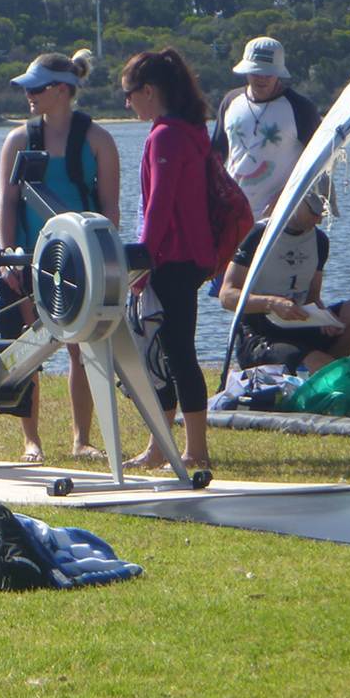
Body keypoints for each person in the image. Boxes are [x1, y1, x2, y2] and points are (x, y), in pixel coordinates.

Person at [0, 50, 120, 463]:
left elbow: (110, 209)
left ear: (62, 90)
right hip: (30, 259)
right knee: (28, 349)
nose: (28, 96)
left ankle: (81, 439)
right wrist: (9, 257)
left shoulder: (98, 140)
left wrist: (105, 263)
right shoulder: (18, 140)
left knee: (81, 350)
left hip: (80, 261)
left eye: (36, 88)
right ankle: (30, 440)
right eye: (27, 89)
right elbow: (7, 203)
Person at [119, 48, 215, 470]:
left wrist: (141, 262)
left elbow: (158, 206)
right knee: (168, 353)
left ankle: (194, 450)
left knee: (174, 355)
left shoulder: (165, 136)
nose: (127, 103)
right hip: (190, 256)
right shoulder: (188, 130)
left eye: (129, 94)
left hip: (173, 259)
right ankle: (162, 445)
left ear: (149, 91)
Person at [219, 178, 350, 373]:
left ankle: (320, 371)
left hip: (300, 323)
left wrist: (325, 318)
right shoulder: (258, 235)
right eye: (314, 212)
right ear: (296, 202)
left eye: (323, 214)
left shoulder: (319, 241)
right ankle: (318, 368)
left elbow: (312, 297)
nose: (319, 220)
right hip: (260, 333)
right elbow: (227, 296)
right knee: (323, 365)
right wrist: (272, 303)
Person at [212, 36, 323, 218]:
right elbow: (215, 156)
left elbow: (319, 162)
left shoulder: (301, 108)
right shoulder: (230, 101)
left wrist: (285, 198)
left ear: (278, 73)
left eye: (268, 74)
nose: (261, 79)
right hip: (233, 215)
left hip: (280, 217)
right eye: (256, 73)